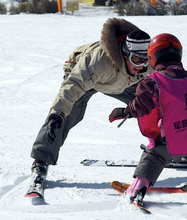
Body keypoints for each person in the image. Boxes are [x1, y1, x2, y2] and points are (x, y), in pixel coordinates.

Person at [109, 33, 187, 205]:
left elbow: (141, 105)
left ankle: (137, 189)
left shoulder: (152, 82)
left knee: (153, 157)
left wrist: (124, 111)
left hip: (168, 143)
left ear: (152, 57)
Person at [30, 18, 153, 184]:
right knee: (67, 114)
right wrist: (56, 114)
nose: (142, 65)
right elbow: (73, 85)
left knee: (154, 104)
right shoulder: (100, 61)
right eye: (137, 60)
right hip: (85, 77)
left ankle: (166, 147)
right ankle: (41, 160)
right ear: (125, 53)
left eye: (146, 60)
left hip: (122, 81)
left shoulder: (146, 64)